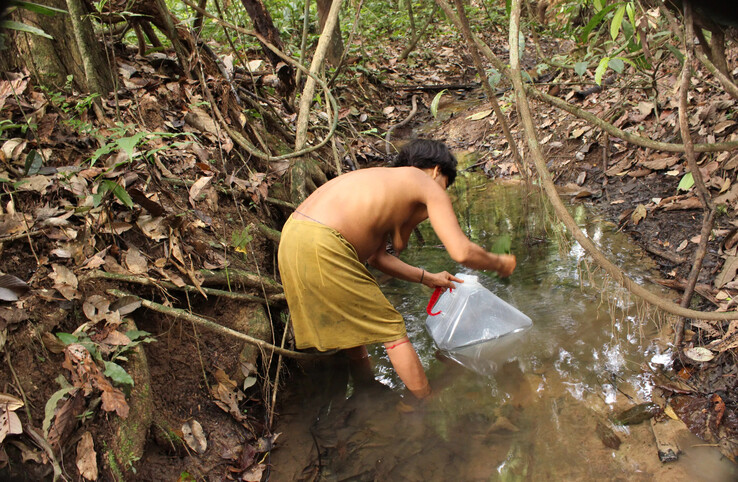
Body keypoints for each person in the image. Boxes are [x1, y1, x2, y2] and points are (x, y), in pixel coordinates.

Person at [277, 139, 516, 399]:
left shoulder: (381, 184)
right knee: (391, 327)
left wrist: (428, 278)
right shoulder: (425, 183)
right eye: (445, 186)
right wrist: (500, 263)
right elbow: (462, 252)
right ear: (436, 170)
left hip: (292, 240)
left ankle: (364, 386)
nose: (441, 194)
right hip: (323, 243)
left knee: (353, 326)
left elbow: (377, 258)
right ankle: (422, 403)